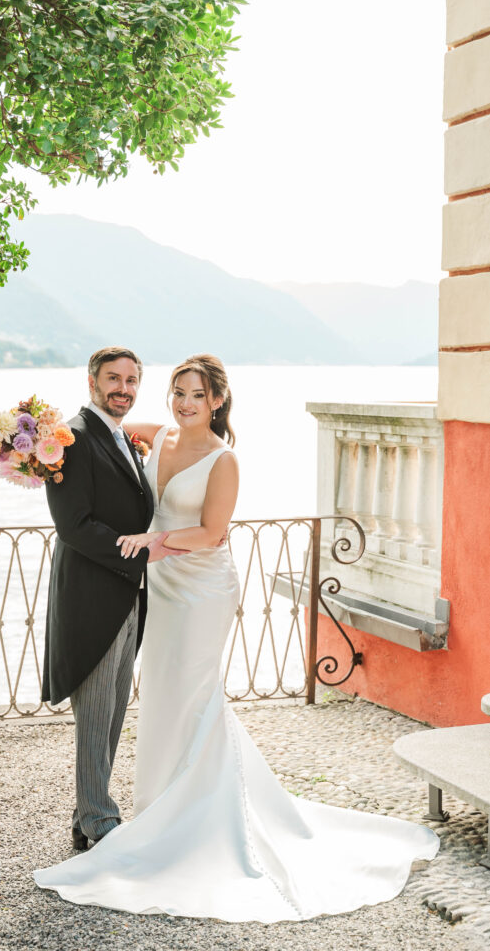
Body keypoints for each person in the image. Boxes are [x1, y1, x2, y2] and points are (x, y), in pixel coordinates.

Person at [34, 354, 439, 921]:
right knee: (164, 697)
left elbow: (212, 531)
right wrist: (38, 444)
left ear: (217, 401)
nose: (184, 402)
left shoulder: (224, 461)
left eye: (197, 394)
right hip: (161, 587)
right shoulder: (154, 436)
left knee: (195, 694)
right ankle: (158, 807)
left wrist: (146, 544)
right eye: (178, 391)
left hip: (200, 587)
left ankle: (201, 814)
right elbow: (109, 451)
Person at [41, 346, 180, 852]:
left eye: (131, 380)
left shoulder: (122, 437)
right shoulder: (72, 439)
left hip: (126, 594)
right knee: (96, 714)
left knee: (113, 711)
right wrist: (144, 554)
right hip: (92, 595)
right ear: (92, 381)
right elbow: (73, 526)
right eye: (113, 378)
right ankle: (99, 822)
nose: (123, 388)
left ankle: (88, 815)